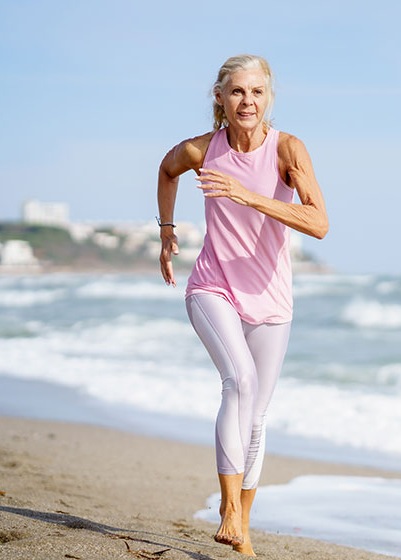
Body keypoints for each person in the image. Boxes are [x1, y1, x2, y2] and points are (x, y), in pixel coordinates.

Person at [156, 54, 328, 556]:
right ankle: (228, 508)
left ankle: (242, 526)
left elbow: (318, 222)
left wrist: (248, 195)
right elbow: (167, 171)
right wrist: (166, 231)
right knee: (240, 382)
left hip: (272, 297)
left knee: (257, 415)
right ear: (220, 98)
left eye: (256, 92)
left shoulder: (288, 149)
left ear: (267, 97)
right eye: (237, 92)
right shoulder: (203, 149)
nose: (247, 101)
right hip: (214, 286)